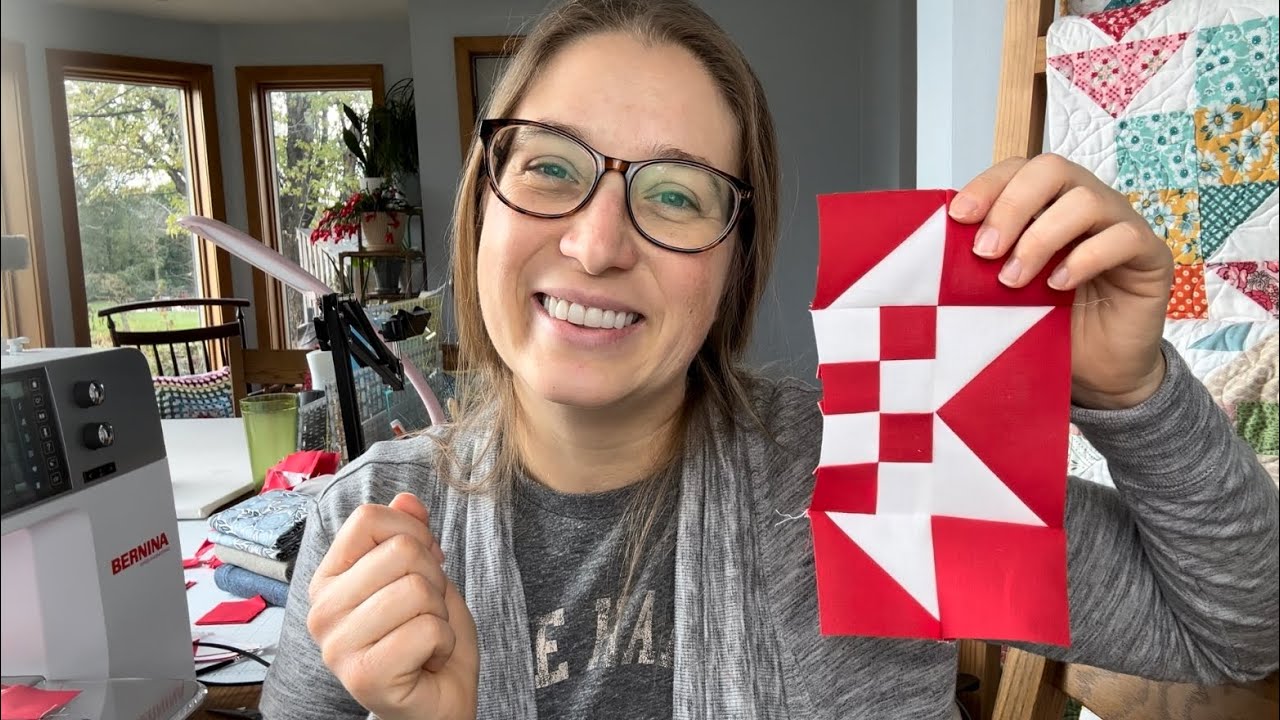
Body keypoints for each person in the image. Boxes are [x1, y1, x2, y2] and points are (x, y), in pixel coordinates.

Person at [260, 1, 1280, 718]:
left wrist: (1131, 393)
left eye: (674, 194)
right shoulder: (363, 532)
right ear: (483, 205)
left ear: (733, 265)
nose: (597, 242)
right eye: (550, 168)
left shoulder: (885, 473)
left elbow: (1237, 633)